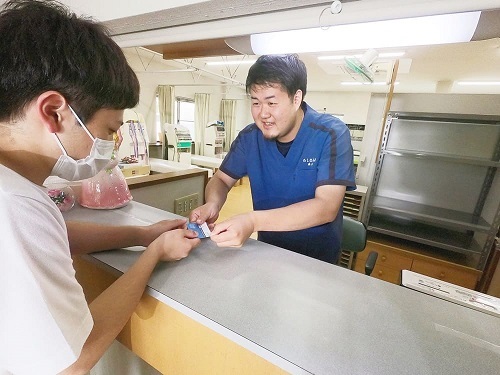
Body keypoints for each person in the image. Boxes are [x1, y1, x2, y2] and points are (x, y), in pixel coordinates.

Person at [0, 1, 200, 374]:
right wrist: (152, 255)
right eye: (109, 130)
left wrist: (142, 233)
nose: (111, 143)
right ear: (54, 112)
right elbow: (74, 361)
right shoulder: (16, 203)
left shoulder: (14, 189)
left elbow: (55, 235)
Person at [190, 54, 355, 264]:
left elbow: (326, 207)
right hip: (265, 254)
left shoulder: (330, 133)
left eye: (271, 102)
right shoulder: (250, 138)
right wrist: (212, 203)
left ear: (296, 99)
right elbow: (221, 179)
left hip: (316, 262)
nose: (263, 114)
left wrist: (252, 220)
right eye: (256, 103)